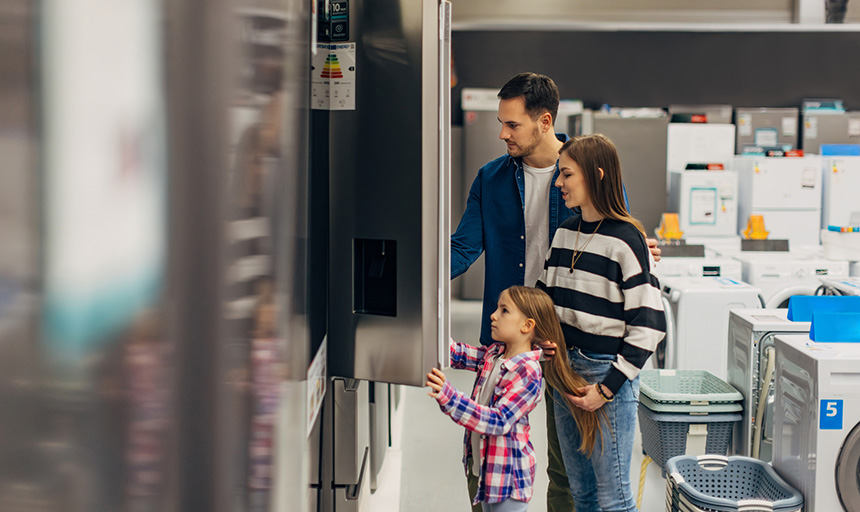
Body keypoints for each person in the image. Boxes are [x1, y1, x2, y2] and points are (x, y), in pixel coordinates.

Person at [450, 72, 661, 512]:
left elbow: (618, 235)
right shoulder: (490, 179)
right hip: (511, 340)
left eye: (513, 124)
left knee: (568, 470)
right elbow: (463, 247)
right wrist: (413, 287)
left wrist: (643, 248)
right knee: (488, 451)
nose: (502, 133)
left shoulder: (584, 169)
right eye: (501, 123)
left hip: (569, 345)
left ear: (544, 121)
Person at [537, 134, 666, 512]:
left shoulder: (627, 240)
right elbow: (546, 303)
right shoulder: (563, 234)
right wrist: (542, 339)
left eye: (566, 175)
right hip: (563, 373)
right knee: (582, 494)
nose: (558, 183)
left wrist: (606, 390)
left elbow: (649, 325)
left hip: (605, 376)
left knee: (614, 499)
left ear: (596, 175)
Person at [427, 285, 601, 512]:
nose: (493, 315)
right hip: (482, 469)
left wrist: (449, 397)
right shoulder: (494, 354)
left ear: (527, 325)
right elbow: (457, 353)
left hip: (507, 480)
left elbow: (499, 421)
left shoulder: (527, 372)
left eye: (504, 310)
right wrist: (430, 318)